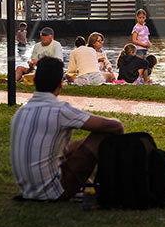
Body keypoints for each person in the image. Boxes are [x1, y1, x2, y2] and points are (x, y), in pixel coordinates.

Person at [10, 56, 124, 201]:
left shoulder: (20, 112)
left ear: (35, 81)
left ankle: (91, 183)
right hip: (52, 192)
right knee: (104, 135)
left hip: (28, 190)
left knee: (75, 146)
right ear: (60, 84)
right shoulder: (60, 111)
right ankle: (112, 183)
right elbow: (116, 127)